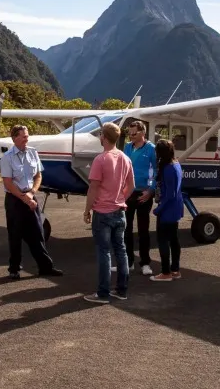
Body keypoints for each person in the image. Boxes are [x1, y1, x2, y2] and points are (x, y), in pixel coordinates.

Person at [0, 124, 63, 280]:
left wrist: (32, 193)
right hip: (15, 199)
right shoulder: (7, 157)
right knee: (15, 236)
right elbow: (8, 182)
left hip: (30, 196)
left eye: (27, 136)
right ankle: (14, 269)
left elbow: (38, 176)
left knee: (37, 233)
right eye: (23, 136)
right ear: (15, 138)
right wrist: (24, 198)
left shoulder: (33, 152)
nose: (27, 139)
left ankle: (45, 267)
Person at [82, 122, 135, 303]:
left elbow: (94, 187)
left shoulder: (100, 159)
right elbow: (131, 186)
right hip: (120, 211)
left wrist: (87, 210)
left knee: (104, 251)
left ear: (103, 137)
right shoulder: (125, 158)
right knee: (121, 250)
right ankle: (122, 290)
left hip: (103, 212)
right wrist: (120, 198)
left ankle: (103, 293)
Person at [122, 120, 156, 276]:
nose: (131, 136)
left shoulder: (151, 149)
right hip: (128, 193)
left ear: (143, 133)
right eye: (129, 133)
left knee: (143, 229)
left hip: (143, 193)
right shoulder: (127, 147)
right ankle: (128, 263)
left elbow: (156, 171)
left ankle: (145, 263)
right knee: (126, 229)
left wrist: (150, 190)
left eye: (134, 133)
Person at [151, 139, 183, 281]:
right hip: (176, 207)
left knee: (163, 240)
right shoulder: (176, 164)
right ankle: (175, 269)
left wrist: (159, 209)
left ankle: (166, 272)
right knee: (174, 239)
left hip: (168, 209)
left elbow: (171, 193)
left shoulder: (168, 168)